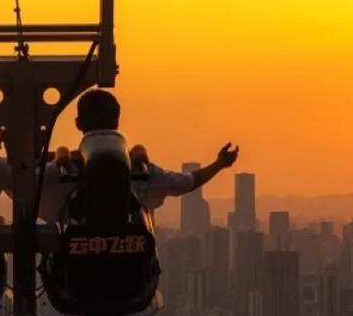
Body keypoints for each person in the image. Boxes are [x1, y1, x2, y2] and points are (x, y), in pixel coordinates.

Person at [36, 89, 238, 223]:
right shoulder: (140, 170)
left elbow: (21, 182)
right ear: (117, 121)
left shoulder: (64, 170)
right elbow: (186, 182)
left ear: (78, 124)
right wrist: (220, 163)